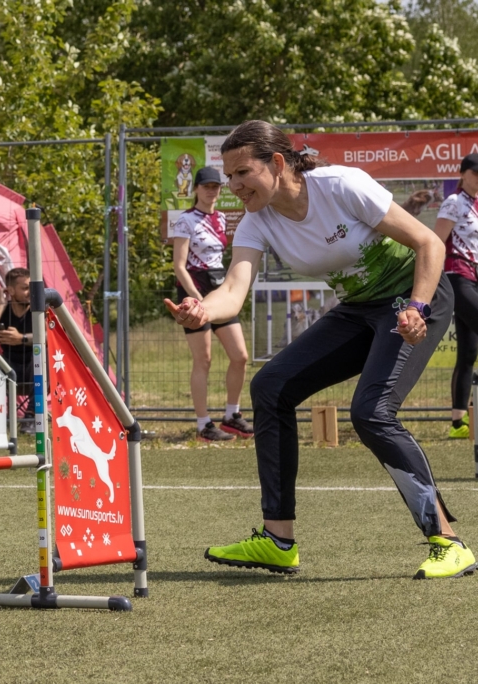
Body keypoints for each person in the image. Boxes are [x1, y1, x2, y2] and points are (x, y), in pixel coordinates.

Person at [165, 120, 475, 580]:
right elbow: (232, 290)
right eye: (228, 177)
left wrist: (417, 307)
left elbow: (428, 242)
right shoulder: (256, 221)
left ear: (276, 163)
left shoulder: (340, 185)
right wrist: (201, 310)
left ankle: (448, 542)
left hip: (412, 298)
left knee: (371, 413)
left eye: (242, 173)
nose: (233, 186)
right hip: (358, 309)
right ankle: (278, 541)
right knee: (270, 386)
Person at [170, 166, 253, 442]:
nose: (211, 191)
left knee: (240, 356)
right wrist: (197, 298)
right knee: (203, 359)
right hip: (193, 291)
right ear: (196, 189)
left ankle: (232, 416)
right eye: (206, 186)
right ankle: (204, 424)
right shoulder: (186, 220)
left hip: (220, 289)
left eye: (216, 186)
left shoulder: (221, 218)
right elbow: (179, 265)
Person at [433, 154, 478, 439]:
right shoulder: (453, 202)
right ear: (462, 174)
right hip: (456, 278)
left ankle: (458, 424)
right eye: (475, 172)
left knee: (468, 352)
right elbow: (436, 241)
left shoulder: (476, 204)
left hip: (474, 278)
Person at [0, 267, 34, 430]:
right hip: (8, 366)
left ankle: (32, 418)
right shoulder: (2, 310)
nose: (30, 293)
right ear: (10, 291)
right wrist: (0, 306)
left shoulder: (39, 309)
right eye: (25, 288)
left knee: (43, 357)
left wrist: (21, 338)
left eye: (32, 288)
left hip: (34, 365)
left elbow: (51, 337)